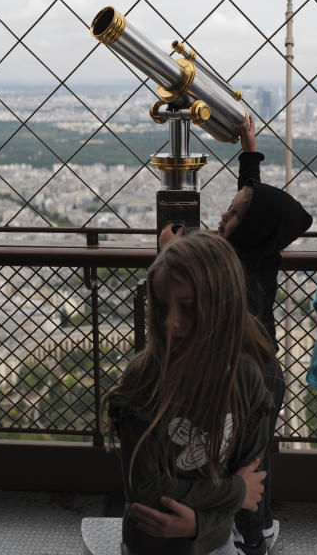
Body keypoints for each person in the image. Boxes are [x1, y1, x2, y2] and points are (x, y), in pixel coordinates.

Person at [157, 116, 312, 555]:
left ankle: (250, 537)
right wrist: (249, 151)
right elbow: (254, 203)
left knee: (242, 462)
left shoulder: (229, 267)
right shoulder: (259, 251)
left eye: (234, 213)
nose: (225, 214)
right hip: (264, 375)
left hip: (247, 382)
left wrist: (171, 255)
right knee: (256, 458)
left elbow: (203, 295)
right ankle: (257, 529)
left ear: (253, 225)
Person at [108, 231, 274, 555]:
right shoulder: (143, 378)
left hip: (206, 541)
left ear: (221, 308)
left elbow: (250, 490)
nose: (170, 323)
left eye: (186, 308)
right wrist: (233, 491)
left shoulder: (246, 378)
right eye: (160, 306)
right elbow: (145, 492)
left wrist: (200, 525)